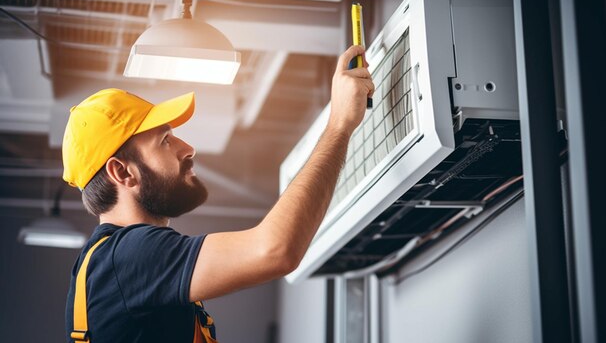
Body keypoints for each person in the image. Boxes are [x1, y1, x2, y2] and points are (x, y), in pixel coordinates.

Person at [63, 45, 374, 342]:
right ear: (123, 172)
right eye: (165, 140)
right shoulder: (129, 257)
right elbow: (275, 250)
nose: (188, 148)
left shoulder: (106, 263)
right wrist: (339, 125)